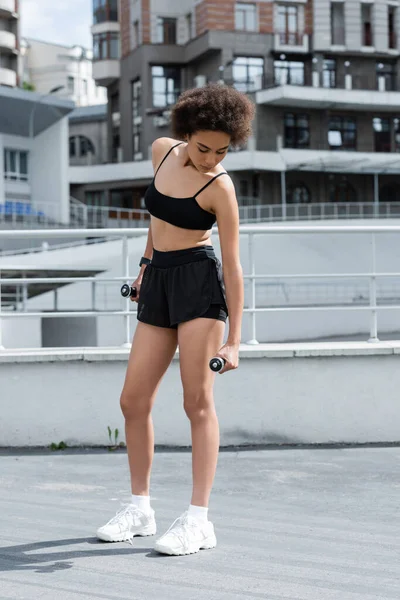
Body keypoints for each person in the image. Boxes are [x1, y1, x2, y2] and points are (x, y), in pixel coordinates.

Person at [97, 83, 255, 556]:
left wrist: (234, 341)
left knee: (196, 403)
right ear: (185, 133)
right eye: (204, 147)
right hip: (159, 280)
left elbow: (233, 264)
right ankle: (140, 508)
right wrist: (145, 265)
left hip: (198, 284)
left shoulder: (220, 187)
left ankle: (198, 520)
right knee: (133, 399)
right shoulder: (162, 152)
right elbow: (157, 218)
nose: (211, 158)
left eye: (222, 151)